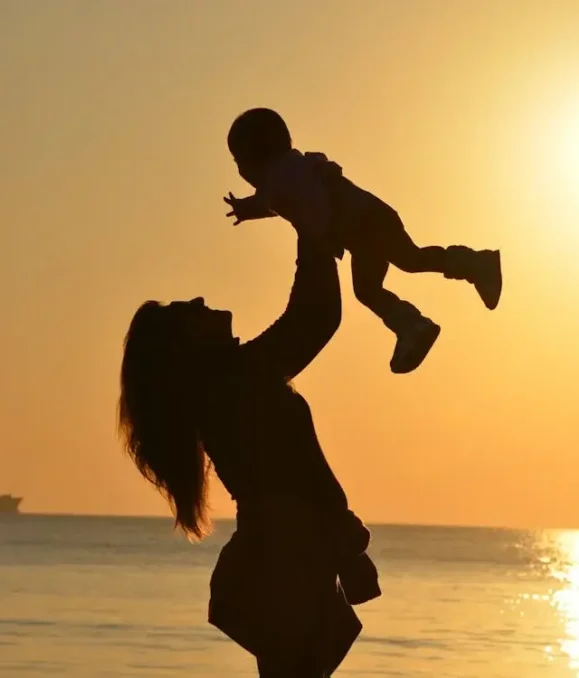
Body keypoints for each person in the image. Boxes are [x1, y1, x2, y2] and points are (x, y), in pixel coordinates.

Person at [118, 206, 377, 677]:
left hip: (285, 550)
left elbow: (312, 320)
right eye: (186, 312)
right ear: (186, 350)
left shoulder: (230, 383)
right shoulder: (235, 381)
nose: (198, 300)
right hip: (286, 555)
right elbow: (313, 319)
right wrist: (309, 224)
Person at [222, 106, 503, 374]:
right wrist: (248, 209)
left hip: (366, 223)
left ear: (254, 157)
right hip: (364, 227)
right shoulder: (290, 171)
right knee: (384, 278)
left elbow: (300, 201)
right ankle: (415, 324)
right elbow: (280, 201)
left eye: (238, 161)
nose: (240, 171)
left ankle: (471, 268)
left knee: (406, 262)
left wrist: (317, 236)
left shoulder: (280, 177)